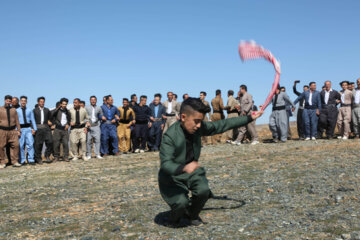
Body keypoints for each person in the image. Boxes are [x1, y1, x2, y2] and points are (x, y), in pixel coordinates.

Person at [158, 97, 263, 227]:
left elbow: (223, 125)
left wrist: (249, 118)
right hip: (172, 176)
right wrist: (184, 168)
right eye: (196, 122)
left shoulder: (198, 126)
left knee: (203, 191)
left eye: (200, 122)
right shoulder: (169, 136)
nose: (198, 126)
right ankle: (174, 218)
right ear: (183, 117)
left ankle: (192, 215)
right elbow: (166, 164)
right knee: (181, 202)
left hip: (192, 170)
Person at [0, 95, 22, 168]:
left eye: (10, 101)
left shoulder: (13, 110)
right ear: (4, 100)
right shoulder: (0, 109)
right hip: (2, 130)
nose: (8, 102)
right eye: (7, 101)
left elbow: (17, 121)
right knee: (1, 146)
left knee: (16, 145)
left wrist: (18, 130)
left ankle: (15, 161)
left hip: (12, 131)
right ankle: (2, 162)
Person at [16, 96, 37, 165]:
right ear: (20, 101)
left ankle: (31, 159)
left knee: (30, 144)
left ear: (26, 102)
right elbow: (15, 121)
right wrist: (17, 130)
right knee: (21, 145)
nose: (23, 102)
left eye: (25, 101)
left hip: (28, 129)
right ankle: (22, 160)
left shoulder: (29, 110)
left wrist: (34, 129)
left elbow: (33, 120)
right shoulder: (17, 110)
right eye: (22, 100)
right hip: (20, 129)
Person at [33, 96, 53, 164]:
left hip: (46, 127)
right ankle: (38, 158)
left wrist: (50, 122)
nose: (42, 103)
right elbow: (32, 120)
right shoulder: (34, 110)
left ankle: (47, 155)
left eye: (43, 102)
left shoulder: (47, 110)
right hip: (38, 127)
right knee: (38, 144)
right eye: (41, 102)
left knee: (50, 141)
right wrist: (33, 128)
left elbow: (51, 118)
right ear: (38, 102)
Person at [52, 98, 71, 162]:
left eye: (65, 104)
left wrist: (68, 124)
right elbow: (51, 115)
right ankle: (56, 157)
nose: (64, 105)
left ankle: (65, 157)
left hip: (65, 130)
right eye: (63, 104)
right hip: (57, 129)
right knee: (56, 144)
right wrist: (57, 108)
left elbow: (69, 119)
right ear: (60, 104)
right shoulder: (57, 110)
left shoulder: (68, 111)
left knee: (65, 143)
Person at [85, 96, 103, 160]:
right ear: (90, 101)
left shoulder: (99, 108)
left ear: (96, 101)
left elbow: (101, 115)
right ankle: (89, 154)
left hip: (96, 126)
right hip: (89, 126)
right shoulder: (86, 107)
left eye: (94, 100)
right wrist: (86, 122)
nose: (93, 101)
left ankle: (97, 154)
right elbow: (84, 116)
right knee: (88, 141)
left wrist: (100, 122)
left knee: (97, 140)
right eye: (92, 100)